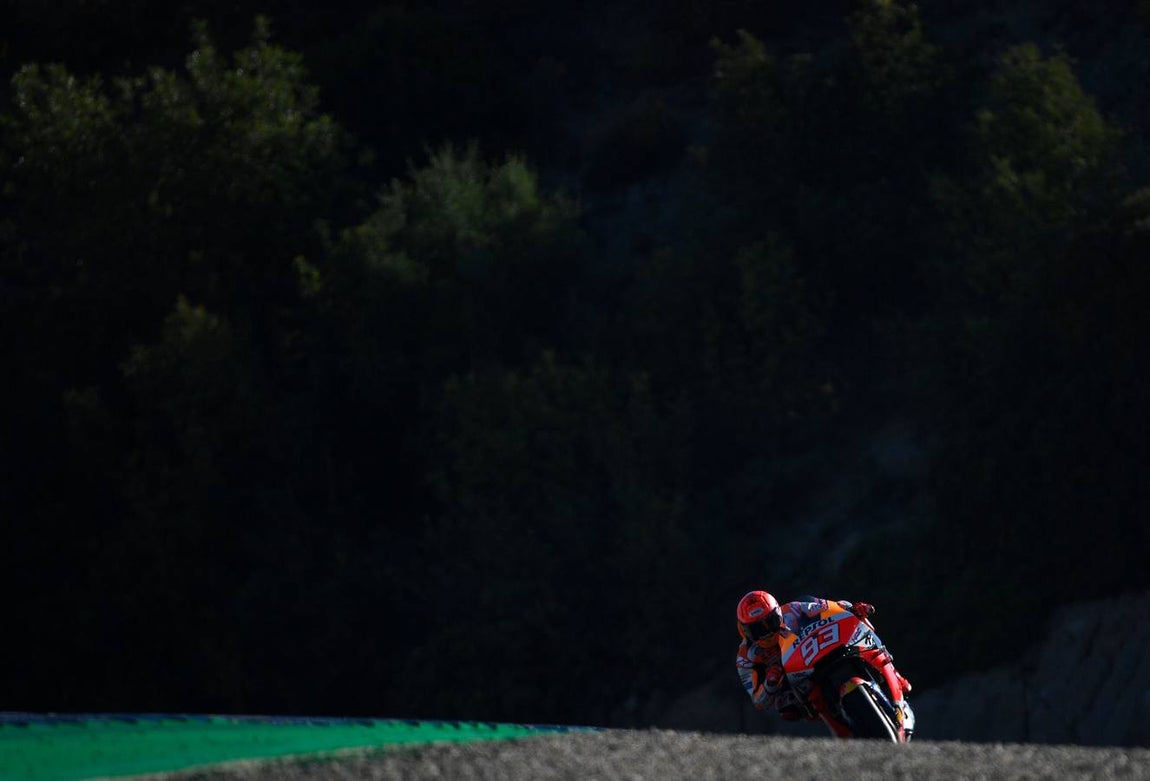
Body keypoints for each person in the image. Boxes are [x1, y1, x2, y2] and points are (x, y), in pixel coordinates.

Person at [735, 590, 912, 735]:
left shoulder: (794, 609)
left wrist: (851, 608)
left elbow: (828, 607)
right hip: (794, 682)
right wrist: (770, 684)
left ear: (778, 613)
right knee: (787, 706)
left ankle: (895, 676)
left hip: (816, 651)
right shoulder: (746, 657)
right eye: (758, 629)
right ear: (745, 631)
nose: (767, 632)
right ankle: (841, 732)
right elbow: (758, 701)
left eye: (771, 622)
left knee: (859, 625)